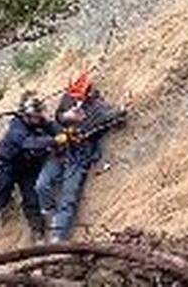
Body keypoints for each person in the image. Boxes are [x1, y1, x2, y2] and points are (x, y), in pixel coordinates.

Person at [34, 71, 125, 243]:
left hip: (79, 154)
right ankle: (49, 214)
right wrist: (65, 117)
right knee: (41, 185)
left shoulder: (97, 108)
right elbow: (58, 116)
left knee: (68, 198)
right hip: (60, 150)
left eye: (79, 96)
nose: (74, 100)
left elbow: (114, 117)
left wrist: (121, 111)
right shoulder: (67, 98)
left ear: (88, 92)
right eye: (72, 95)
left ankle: (57, 238)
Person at [0, 93, 60, 241]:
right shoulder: (16, 128)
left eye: (38, 115)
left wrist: (63, 133)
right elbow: (29, 143)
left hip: (28, 167)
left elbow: (50, 126)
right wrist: (53, 140)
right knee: (2, 196)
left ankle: (37, 230)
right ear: (26, 115)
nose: (39, 118)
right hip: (9, 166)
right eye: (35, 116)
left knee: (32, 198)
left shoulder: (36, 120)